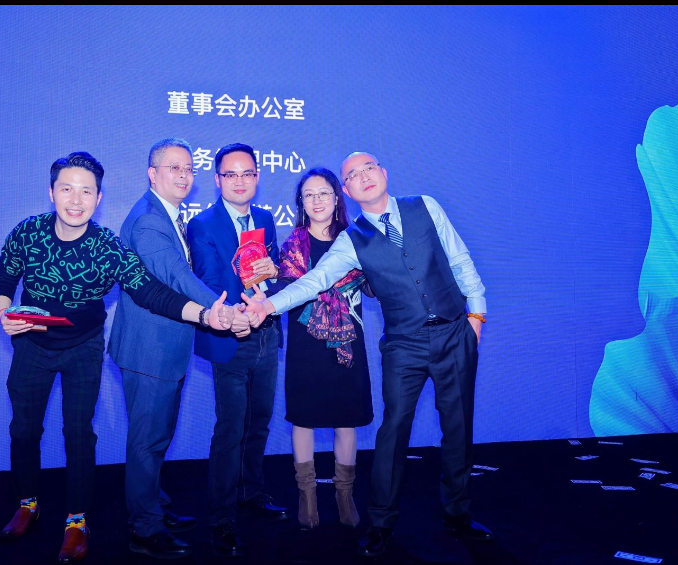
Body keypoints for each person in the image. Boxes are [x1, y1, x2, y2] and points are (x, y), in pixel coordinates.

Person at [243, 152, 492, 557]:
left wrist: (476, 314)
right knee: (392, 434)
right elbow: (314, 281)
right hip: (404, 346)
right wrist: (268, 305)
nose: (363, 177)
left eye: (368, 168)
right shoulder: (351, 239)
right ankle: (381, 523)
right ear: (347, 190)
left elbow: (459, 258)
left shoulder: (425, 206)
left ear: (383, 173)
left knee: (459, 429)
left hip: (454, 333)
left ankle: (458, 514)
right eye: (353, 175)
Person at [0, 151, 233, 563]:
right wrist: (4, 311)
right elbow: (4, 274)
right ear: (51, 192)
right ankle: (28, 503)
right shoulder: (29, 232)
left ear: (99, 198)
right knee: (24, 431)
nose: (76, 200)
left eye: (86, 191)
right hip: (31, 345)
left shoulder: (106, 247)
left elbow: (150, 290)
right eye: (67, 189)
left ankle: (76, 522)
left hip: (83, 349)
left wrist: (206, 314)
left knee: (78, 435)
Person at [108, 138, 253, 560]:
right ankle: (144, 528)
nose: (184, 175)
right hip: (149, 349)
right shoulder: (149, 221)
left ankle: (154, 505)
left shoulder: (168, 215)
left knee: (157, 435)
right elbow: (175, 275)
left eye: (189, 168)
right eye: (174, 168)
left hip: (164, 346)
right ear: (152, 174)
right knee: (147, 440)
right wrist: (219, 309)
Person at [186, 143, 289, 557]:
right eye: (231, 174)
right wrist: (236, 316)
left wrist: (274, 275)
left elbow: (274, 277)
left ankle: (251, 491)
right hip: (232, 336)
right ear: (217, 180)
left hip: (267, 334)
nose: (240, 181)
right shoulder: (203, 224)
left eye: (248, 173)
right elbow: (208, 283)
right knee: (230, 428)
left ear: (257, 177)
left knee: (259, 421)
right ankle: (222, 518)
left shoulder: (265, 219)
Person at [271, 168, 373, 529]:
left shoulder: (356, 239)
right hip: (306, 343)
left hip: (347, 342)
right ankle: (308, 495)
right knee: (304, 418)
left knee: (346, 419)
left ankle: (345, 494)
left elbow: (373, 287)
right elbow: (284, 292)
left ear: (336, 198)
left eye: (324, 193)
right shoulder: (292, 245)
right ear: (301, 202)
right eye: (309, 195)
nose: (317, 201)